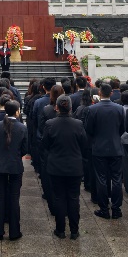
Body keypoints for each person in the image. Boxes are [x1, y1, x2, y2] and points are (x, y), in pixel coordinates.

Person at [42, 95, 88, 240]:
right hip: (74, 165)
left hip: (56, 165)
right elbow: (84, 144)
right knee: (74, 198)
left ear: (57, 107)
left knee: (59, 197)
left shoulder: (50, 124)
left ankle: (60, 229)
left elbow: (45, 144)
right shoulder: (78, 124)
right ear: (70, 107)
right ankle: (74, 230)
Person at [84, 83, 125, 219]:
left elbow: (88, 129)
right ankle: (116, 208)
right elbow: (122, 128)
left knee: (101, 178)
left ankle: (104, 208)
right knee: (117, 179)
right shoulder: (119, 109)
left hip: (99, 147)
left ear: (100, 93)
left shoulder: (93, 109)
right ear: (111, 93)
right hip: (115, 147)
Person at [0, 99, 26, 241]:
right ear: (17, 112)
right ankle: (14, 231)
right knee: (14, 198)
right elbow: (25, 149)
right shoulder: (22, 127)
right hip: (15, 165)